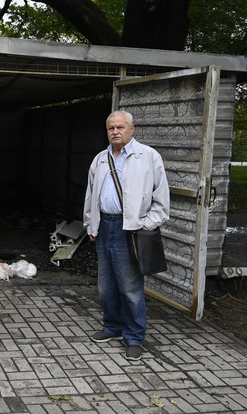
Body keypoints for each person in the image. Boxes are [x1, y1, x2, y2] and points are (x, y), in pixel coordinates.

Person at [83, 110, 169, 361]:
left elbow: (161, 198)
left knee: (130, 287)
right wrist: (91, 224)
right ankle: (112, 327)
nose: (115, 132)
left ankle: (133, 337)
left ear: (132, 129)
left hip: (130, 229)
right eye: (111, 128)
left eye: (120, 127)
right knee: (106, 285)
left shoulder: (148, 156)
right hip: (104, 226)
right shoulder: (100, 158)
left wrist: (146, 224)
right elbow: (91, 195)